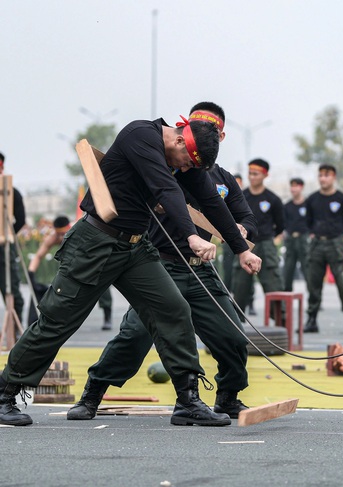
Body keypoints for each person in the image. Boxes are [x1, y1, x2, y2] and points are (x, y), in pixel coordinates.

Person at [0, 114, 236, 427]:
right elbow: (167, 189)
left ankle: (188, 400)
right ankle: (5, 394)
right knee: (57, 321)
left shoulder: (180, 156)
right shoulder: (140, 135)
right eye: (187, 162)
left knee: (173, 309)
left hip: (135, 248)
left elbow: (210, 200)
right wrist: (192, 236)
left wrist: (242, 248)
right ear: (180, 139)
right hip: (95, 244)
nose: (185, 169)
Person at [66, 102, 262, 421]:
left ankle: (226, 397)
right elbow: (165, 190)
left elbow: (244, 216)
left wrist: (243, 239)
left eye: (211, 130)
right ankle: (92, 393)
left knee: (231, 335)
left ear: (221, 136)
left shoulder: (222, 179)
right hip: (159, 264)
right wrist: (189, 232)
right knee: (133, 337)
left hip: (200, 272)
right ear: (184, 132)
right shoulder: (164, 163)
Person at [27, 215, 114, 330]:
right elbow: (38, 256)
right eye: (60, 235)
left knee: (101, 284)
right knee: (62, 284)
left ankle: (107, 315)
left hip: (90, 258)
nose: (62, 237)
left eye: (64, 233)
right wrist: (30, 273)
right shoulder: (53, 238)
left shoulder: (79, 230)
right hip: (71, 262)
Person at [303, 164, 343, 334]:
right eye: (320, 175)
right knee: (313, 283)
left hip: (336, 244)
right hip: (317, 244)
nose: (323, 179)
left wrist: (338, 236)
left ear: (334, 177)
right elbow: (308, 221)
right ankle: (312, 319)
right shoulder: (312, 199)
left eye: (326, 175)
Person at [232, 159, 285, 316]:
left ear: (265, 175)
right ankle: (236, 329)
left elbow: (280, 225)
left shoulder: (273, 199)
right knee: (239, 289)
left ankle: (280, 326)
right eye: (250, 173)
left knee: (274, 288)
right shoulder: (241, 196)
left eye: (256, 174)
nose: (252, 177)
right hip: (244, 246)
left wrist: (268, 237)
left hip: (266, 246)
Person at [0, 152, 26, 328]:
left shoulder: (11, 193)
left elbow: (21, 219)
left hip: (4, 249)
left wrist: (7, 235)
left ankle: (15, 331)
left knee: (12, 291)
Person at [282, 177, 310, 291]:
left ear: (301, 187)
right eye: (292, 186)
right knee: (288, 270)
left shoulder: (308, 205)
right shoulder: (287, 206)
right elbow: (283, 222)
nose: (293, 189)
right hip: (291, 240)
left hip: (304, 239)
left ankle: (314, 298)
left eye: (296, 186)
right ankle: (286, 297)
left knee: (308, 269)